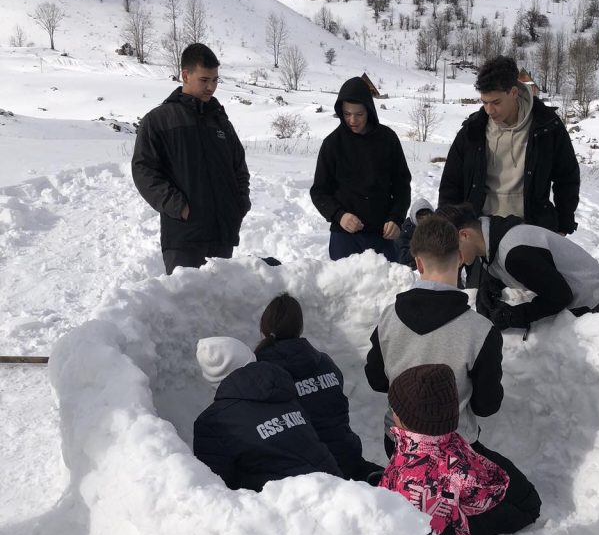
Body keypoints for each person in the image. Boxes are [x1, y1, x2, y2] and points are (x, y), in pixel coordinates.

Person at [365, 217, 539, 519]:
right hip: (455, 452)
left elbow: (377, 380)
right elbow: (486, 406)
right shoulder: (479, 330)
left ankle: (412, 490)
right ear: (460, 257)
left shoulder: (388, 317)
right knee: (527, 504)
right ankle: (450, 528)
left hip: (396, 443)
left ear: (418, 262)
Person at [380, 364, 540, 535]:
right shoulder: (446, 440)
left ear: (406, 419)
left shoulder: (420, 473)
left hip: (444, 534)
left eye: (395, 408)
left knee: (525, 506)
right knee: (526, 500)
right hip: (452, 494)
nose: (392, 412)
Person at [132, 43, 251, 275]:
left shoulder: (220, 122)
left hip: (222, 235)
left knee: (219, 296)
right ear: (185, 75)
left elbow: (239, 168)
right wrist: (179, 207)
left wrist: (239, 204)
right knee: (187, 298)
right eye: (204, 80)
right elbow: (144, 171)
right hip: (183, 238)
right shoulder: (159, 120)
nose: (211, 87)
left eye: (215, 80)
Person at [438, 54, 579, 236]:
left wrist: (563, 225)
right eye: (484, 102)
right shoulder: (473, 130)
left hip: (531, 229)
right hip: (480, 229)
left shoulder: (548, 127)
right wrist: (449, 227)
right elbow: (451, 182)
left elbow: (567, 178)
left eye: (496, 102)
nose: (489, 110)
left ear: (513, 92)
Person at [254, 293, 382, 482]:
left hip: (305, 470)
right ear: (299, 327)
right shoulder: (324, 362)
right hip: (346, 456)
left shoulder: (259, 371)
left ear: (264, 327)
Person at [437, 203, 599, 333]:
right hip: (580, 291)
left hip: (594, 298)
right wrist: (490, 286)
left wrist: (512, 316)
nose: (456, 261)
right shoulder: (489, 236)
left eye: (454, 251)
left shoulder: (514, 253)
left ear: (465, 235)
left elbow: (560, 297)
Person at [193, 336, 341, 492]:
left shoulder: (213, 422)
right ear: (251, 361)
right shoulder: (283, 388)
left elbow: (216, 489)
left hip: (284, 502)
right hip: (335, 488)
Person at [310, 76, 411, 261]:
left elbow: (402, 186)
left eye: (359, 114)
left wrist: (396, 218)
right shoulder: (332, 144)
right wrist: (339, 215)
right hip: (345, 236)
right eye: (347, 114)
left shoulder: (388, 139)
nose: (352, 120)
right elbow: (319, 192)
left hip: (383, 234)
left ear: (369, 111)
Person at [396, 196, 434, 269]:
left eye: (428, 217)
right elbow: (402, 258)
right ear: (414, 217)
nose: (425, 222)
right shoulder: (406, 230)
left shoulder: (436, 227)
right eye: (421, 218)